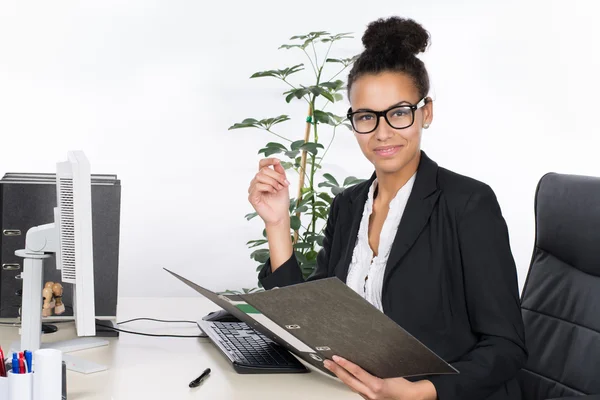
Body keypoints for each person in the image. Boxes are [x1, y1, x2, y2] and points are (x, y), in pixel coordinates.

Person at [247, 16, 527, 400]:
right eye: (366, 116)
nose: (382, 132)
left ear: (425, 112)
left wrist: (423, 392)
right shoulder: (348, 206)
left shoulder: (468, 204)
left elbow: (506, 347)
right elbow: (313, 321)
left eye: (398, 112)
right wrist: (277, 223)